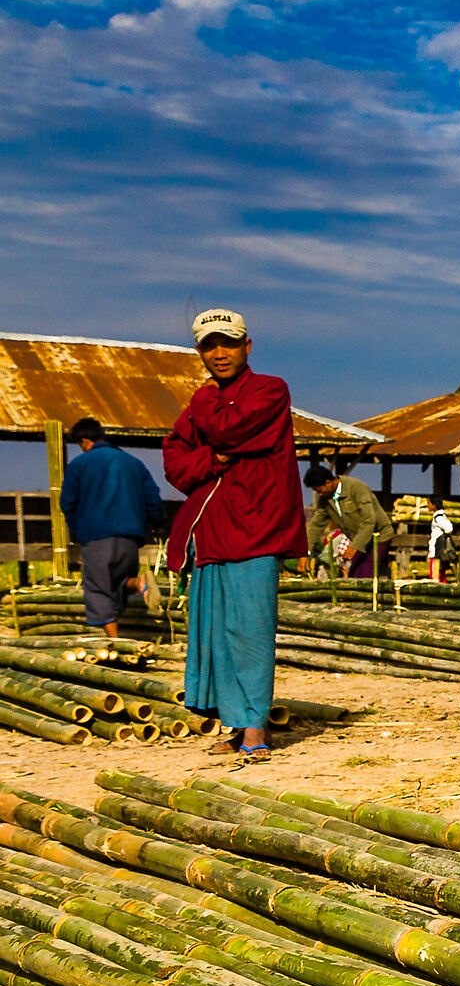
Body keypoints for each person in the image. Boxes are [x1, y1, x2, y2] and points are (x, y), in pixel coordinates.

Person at [163, 309, 306, 757]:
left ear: (248, 346)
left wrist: (207, 416)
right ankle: (235, 725)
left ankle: (257, 732)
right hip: (210, 532)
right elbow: (174, 459)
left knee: (251, 633)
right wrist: (213, 460)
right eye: (209, 345)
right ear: (200, 352)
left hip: (258, 528)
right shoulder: (202, 400)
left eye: (228, 342)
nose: (219, 353)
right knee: (217, 634)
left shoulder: (269, 389)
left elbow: (233, 427)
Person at [59, 416, 161, 639]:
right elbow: (153, 498)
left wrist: (79, 530)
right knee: (118, 581)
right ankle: (139, 582)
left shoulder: (79, 465)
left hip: (97, 536)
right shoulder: (134, 463)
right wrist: (157, 524)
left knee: (98, 590)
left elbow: (67, 502)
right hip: (130, 537)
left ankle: (115, 644)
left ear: (84, 441)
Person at [304, 462, 395, 580]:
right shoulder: (326, 499)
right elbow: (316, 526)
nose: (319, 494)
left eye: (320, 490)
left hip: (379, 536)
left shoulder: (357, 488)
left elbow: (369, 520)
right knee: (353, 574)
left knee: (365, 574)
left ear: (328, 482)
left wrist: (355, 547)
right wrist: (306, 553)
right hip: (358, 539)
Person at [427, 504, 458, 583]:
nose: (428, 505)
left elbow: (449, 527)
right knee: (441, 575)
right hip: (438, 551)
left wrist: (441, 538)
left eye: (429, 503)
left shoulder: (439, 518)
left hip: (436, 551)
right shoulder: (438, 517)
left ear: (434, 505)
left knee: (435, 577)